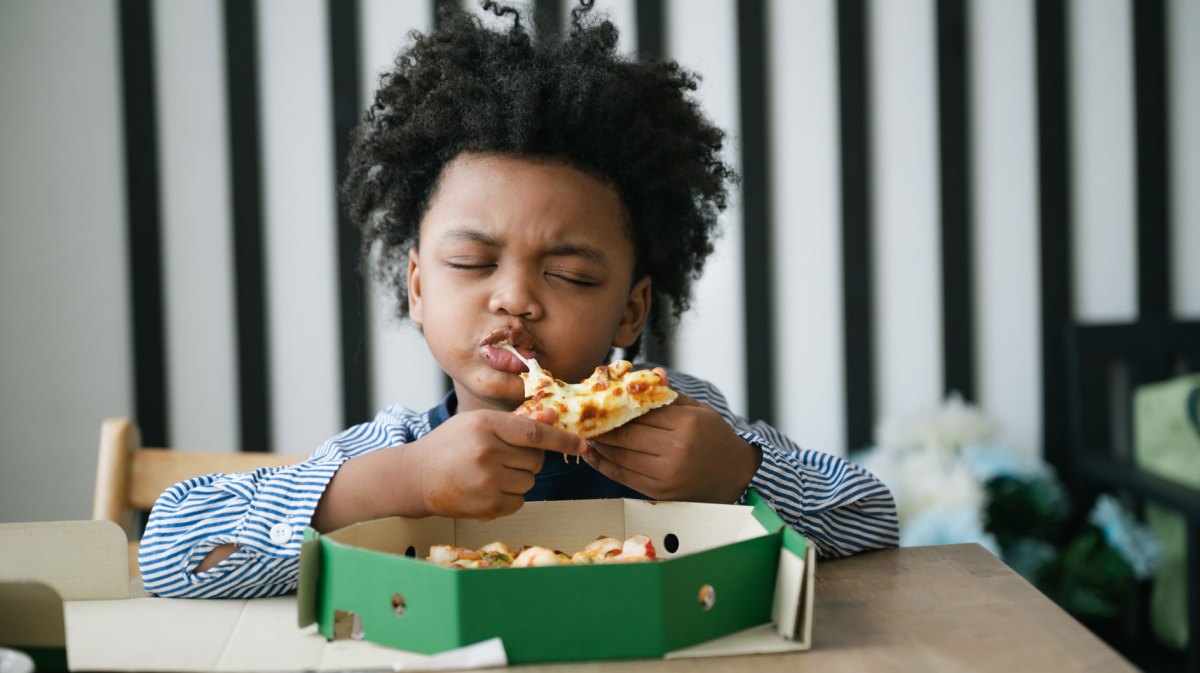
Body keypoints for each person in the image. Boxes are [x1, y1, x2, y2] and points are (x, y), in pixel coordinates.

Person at [138, 0, 898, 599]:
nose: (515, 299)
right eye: (472, 262)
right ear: (417, 286)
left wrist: (738, 472)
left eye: (568, 275)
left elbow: (874, 517)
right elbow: (171, 550)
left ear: (633, 310)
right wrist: (393, 487)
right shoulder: (389, 455)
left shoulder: (687, 425)